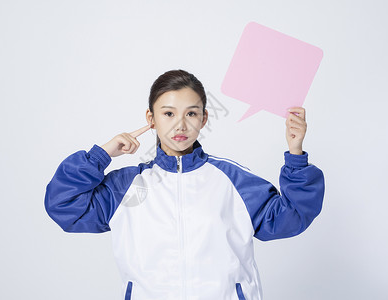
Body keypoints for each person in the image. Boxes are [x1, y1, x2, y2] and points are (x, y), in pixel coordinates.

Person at [44, 69, 325, 300]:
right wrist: (101, 154)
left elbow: (292, 216)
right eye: (168, 114)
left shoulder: (232, 181)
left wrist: (296, 155)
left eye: (191, 114)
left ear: (203, 119)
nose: (180, 125)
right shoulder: (129, 187)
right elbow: (64, 206)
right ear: (150, 119)